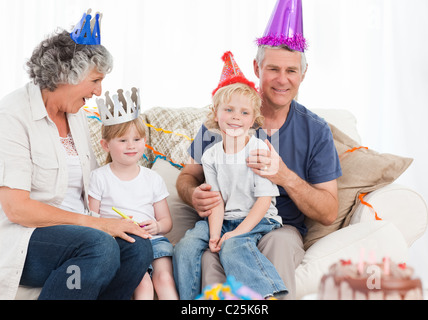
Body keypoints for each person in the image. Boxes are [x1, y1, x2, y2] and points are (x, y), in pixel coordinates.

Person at [175, 1, 342, 299]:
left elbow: (329, 212)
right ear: (257, 68)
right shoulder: (224, 120)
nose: (282, 79)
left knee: (278, 244)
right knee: (210, 256)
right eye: (273, 69)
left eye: (291, 70)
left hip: (278, 227)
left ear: (303, 74)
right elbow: (187, 177)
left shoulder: (316, 131)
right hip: (224, 221)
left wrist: (286, 177)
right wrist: (193, 195)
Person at [0, 11, 153, 300]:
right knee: (100, 246)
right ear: (65, 74)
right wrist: (97, 225)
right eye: (95, 80)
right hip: (27, 239)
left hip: (80, 234)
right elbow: (17, 209)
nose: (99, 91)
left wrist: (117, 219)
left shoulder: (77, 115)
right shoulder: (12, 115)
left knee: (138, 244)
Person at [174, 52, 287, 299]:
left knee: (233, 246)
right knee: (185, 246)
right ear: (216, 114)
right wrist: (215, 234)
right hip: (224, 218)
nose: (236, 116)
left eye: (244, 113)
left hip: (259, 217)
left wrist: (234, 233)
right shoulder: (210, 156)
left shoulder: (259, 149)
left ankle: (266, 296)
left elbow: (264, 200)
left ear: (253, 119)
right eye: (229, 110)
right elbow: (216, 201)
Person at [88, 100, 178, 300]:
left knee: (164, 279)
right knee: (143, 283)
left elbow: (166, 222)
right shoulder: (99, 177)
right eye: (122, 140)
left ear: (144, 141)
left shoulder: (153, 178)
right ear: (105, 145)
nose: (131, 146)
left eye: (137, 139)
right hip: (123, 243)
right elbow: (92, 220)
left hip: (153, 240)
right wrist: (114, 226)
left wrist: (156, 226)